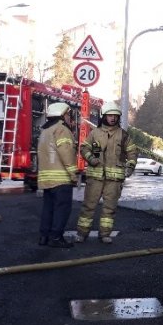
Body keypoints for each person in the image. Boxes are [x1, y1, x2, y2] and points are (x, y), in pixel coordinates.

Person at [74, 102, 136, 244]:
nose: (113, 118)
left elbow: (132, 152)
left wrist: (130, 167)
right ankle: (82, 233)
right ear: (104, 116)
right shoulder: (94, 133)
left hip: (114, 180)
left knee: (109, 209)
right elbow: (84, 148)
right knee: (88, 206)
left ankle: (105, 234)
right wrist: (90, 158)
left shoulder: (123, 135)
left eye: (115, 115)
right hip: (95, 177)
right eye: (110, 115)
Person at [36, 102, 77, 248]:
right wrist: (73, 174)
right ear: (62, 114)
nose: (68, 117)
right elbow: (66, 153)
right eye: (67, 114)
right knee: (62, 208)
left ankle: (44, 237)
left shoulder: (45, 130)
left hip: (47, 179)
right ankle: (56, 237)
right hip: (61, 178)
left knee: (48, 208)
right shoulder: (61, 129)